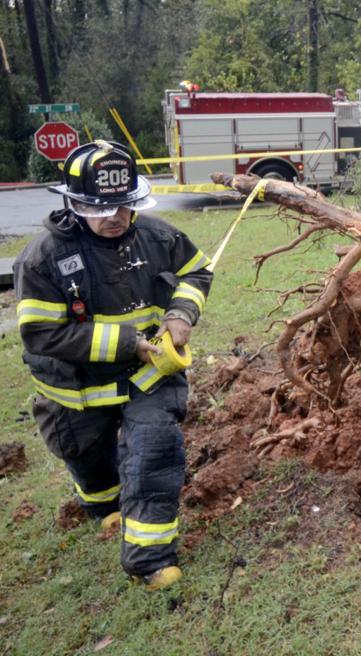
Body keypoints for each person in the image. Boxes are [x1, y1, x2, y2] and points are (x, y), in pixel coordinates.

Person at [14, 140, 213, 590]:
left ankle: (150, 559)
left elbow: (197, 272)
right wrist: (130, 344)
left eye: (123, 206)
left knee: (155, 451)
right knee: (85, 455)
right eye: (98, 208)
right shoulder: (43, 260)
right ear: (73, 203)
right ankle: (105, 508)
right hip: (76, 387)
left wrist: (181, 313)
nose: (114, 217)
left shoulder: (159, 237)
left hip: (149, 375)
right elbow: (41, 334)